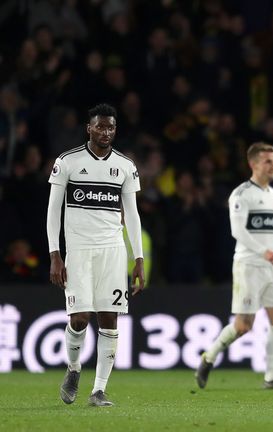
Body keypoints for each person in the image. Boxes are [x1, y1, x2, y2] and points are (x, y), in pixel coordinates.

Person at [48, 103, 145, 407]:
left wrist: (138, 258)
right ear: (88, 128)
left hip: (113, 251)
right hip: (78, 251)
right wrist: (55, 253)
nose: (106, 132)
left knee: (109, 319)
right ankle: (74, 369)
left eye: (111, 127)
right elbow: (53, 211)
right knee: (79, 318)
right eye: (100, 126)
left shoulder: (125, 166)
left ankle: (98, 390)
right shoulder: (68, 162)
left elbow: (132, 213)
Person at [196, 143, 273, 390]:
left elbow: (267, 231)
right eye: (267, 161)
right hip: (249, 264)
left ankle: (271, 377)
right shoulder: (241, 194)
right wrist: (265, 252)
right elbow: (237, 231)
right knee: (243, 326)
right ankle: (209, 355)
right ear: (253, 164)